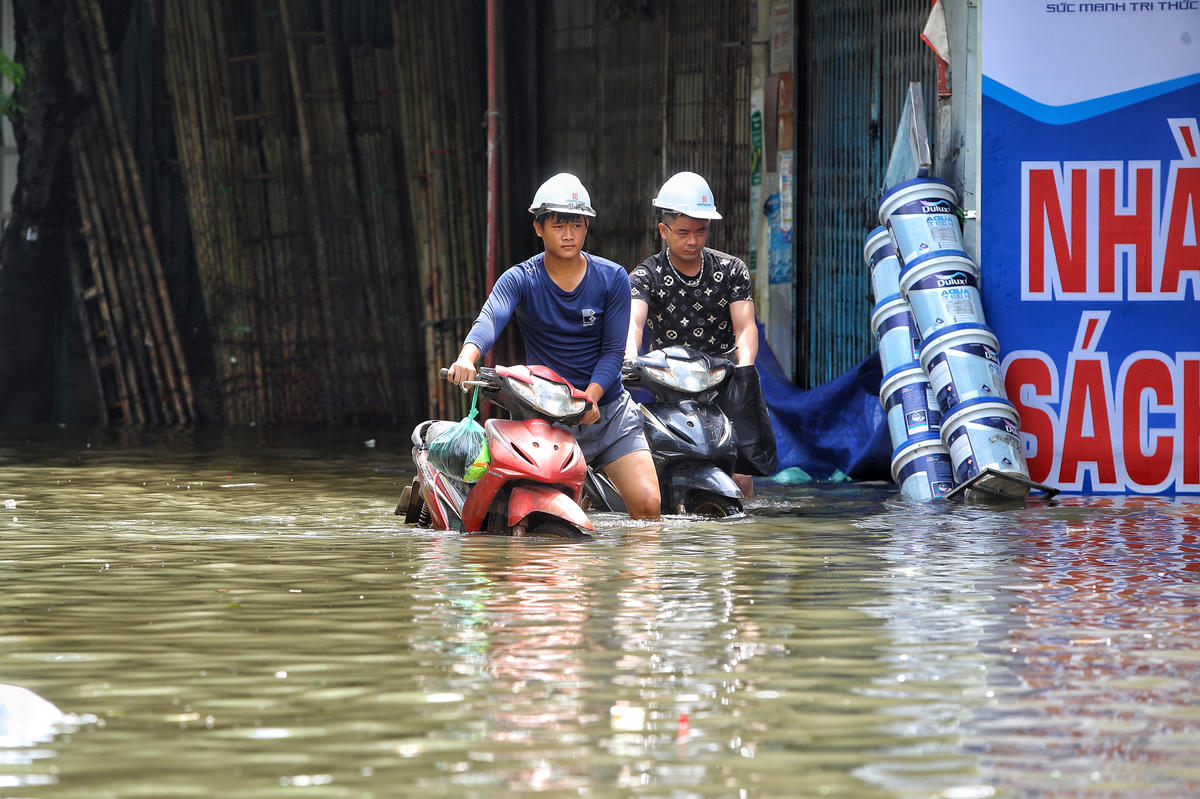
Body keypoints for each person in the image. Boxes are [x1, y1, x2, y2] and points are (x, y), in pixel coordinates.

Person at [446, 173, 661, 520]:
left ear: (587, 227)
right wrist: (466, 356)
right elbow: (491, 318)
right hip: (546, 417)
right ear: (539, 228)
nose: (568, 234)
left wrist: (589, 397)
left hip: (606, 409)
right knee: (538, 518)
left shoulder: (613, 278)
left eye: (577, 225)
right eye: (559, 225)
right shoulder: (520, 278)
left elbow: (611, 352)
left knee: (649, 508)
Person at [625, 171, 775, 498]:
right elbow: (634, 323)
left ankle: (741, 539)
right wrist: (629, 358)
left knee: (743, 476)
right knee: (659, 462)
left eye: (700, 231)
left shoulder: (732, 269)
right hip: (670, 383)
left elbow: (746, 326)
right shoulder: (645, 275)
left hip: (724, 379)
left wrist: (745, 365)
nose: (692, 241)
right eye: (682, 232)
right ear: (664, 231)